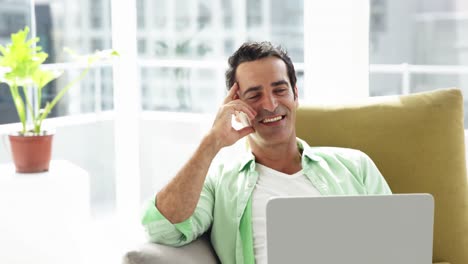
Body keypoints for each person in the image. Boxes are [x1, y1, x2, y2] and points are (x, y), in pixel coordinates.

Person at [141, 41, 392, 264]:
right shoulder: (221, 182)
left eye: (280, 90)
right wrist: (211, 143)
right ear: (235, 106)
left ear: (295, 94)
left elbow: (396, 242)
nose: (270, 105)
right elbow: (163, 229)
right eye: (254, 95)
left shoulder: (354, 166)